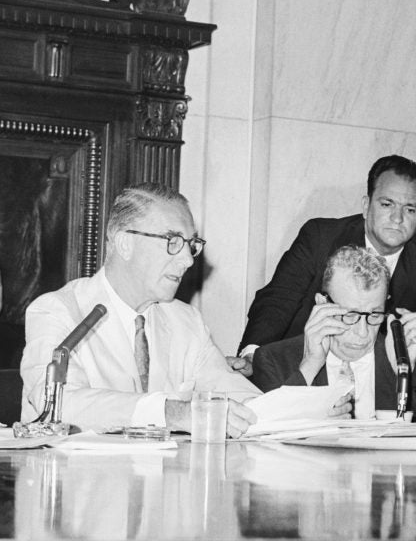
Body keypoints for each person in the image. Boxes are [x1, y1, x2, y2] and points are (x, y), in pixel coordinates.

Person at [20, 183, 260, 436]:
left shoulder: (186, 321)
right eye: (173, 241)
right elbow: (60, 404)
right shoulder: (57, 311)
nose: (188, 260)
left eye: (191, 244)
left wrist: (291, 410)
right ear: (125, 243)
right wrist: (171, 413)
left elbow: (239, 397)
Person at [236, 155, 416, 382]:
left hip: (377, 387)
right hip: (305, 374)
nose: (397, 218)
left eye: (410, 209)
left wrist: (409, 369)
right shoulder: (321, 237)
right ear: (366, 206)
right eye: (387, 204)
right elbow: (278, 301)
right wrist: (253, 356)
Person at [251, 246, 416, 427]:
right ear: (322, 304)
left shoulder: (412, 360)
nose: (362, 333)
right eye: (349, 315)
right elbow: (262, 443)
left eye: (374, 315)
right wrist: (309, 366)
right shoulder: (274, 359)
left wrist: (406, 374)